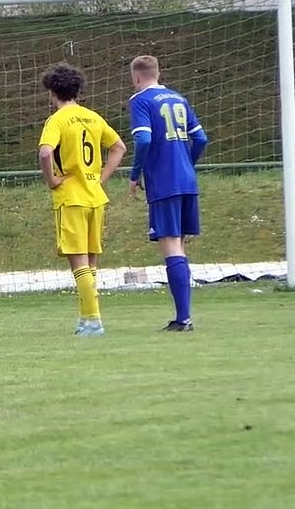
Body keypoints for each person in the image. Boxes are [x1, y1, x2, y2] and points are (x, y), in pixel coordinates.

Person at [37, 63, 127, 336]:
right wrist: (101, 177)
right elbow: (118, 147)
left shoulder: (58, 119)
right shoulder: (92, 117)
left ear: (52, 91)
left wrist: (52, 179)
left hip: (72, 197)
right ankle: (85, 318)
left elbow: (44, 153)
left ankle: (93, 320)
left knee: (79, 263)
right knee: (91, 263)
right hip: (95, 196)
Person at [127, 55, 209, 332]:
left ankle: (183, 319)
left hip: (164, 181)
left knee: (172, 245)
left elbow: (144, 138)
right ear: (157, 73)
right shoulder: (179, 98)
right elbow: (201, 138)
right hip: (187, 180)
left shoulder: (140, 101)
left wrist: (135, 174)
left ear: (137, 77)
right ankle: (184, 316)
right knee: (180, 246)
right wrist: (187, 162)